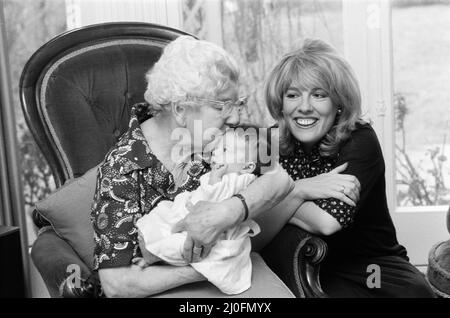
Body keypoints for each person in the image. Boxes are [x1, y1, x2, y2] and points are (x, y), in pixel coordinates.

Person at [90, 35, 294, 298]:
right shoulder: (121, 169)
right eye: (222, 106)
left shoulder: (221, 136)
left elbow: (280, 179)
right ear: (180, 110)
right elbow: (117, 285)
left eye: (237, 104)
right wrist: (213, 265)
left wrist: (227, 212)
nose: (236, 116)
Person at [264, 38, 435, 297]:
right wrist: (300, 189)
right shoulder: (270, 142)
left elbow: (327, 222)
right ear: (281, 103)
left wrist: (276, 198)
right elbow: (257, 222)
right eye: (293, 95)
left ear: (338, 102)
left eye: (319, 95)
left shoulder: (359, 139)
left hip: (371, 267)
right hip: (303, 263)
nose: (304, 106)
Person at [136, 127, 269, 295]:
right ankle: (153, 253)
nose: (215, 153)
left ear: (248, 166)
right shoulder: (229, 175)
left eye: (225, 150)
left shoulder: (239, 180)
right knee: (163, 214)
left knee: (178, 242)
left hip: (214, 234)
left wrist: (214, 178)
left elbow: (213, 199)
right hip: (197, 218)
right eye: (216, 148)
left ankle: (153, 256)